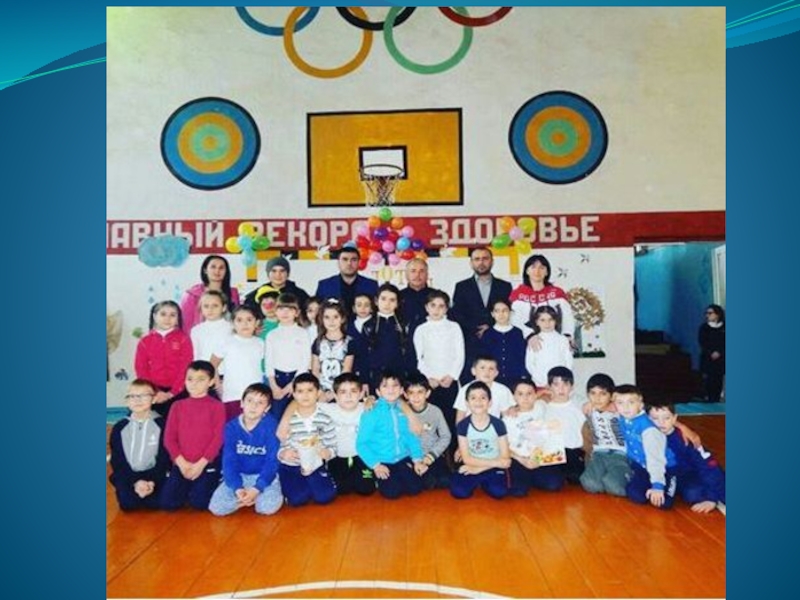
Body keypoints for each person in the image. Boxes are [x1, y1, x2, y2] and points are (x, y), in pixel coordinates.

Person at [208, 383, 283, 516]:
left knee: (266, 508)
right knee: (216, 508)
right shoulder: (231, 427)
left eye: (260, 403)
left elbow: (272, 461)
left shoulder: (272, 426)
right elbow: (229, 461)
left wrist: (257, 488)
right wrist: (237, 488)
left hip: (263, 475)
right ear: (242, 403)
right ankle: (247, 499)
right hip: (240, 475)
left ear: (267, 408)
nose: (254, 406)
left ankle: (251, 497)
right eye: (250, 401)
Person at [159, 361, 226, 511]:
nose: (194, 384)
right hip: (182, 464)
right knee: (168, 503)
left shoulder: (217, 406)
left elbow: (218, 439)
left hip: (205, 464)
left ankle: (214, 482)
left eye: (200, 379)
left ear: (211, 382)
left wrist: (200, 464)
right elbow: (169, 439)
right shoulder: (177, 406)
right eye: (190, 379)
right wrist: (182, 464)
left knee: (200, 503)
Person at [356, 370, 425, 499]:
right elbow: (361, 444)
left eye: (395, 385)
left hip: (402, 458)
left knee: (415, 488)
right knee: (392, 492)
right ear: (378, 392)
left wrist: (417, 459)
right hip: (382, 461)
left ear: (401, 390)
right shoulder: (371, 412)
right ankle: (375, 478)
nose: (391, 389)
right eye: (385, 386)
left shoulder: (404, 410)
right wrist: (376, 465)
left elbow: (412, 436)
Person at [648, 402, 725, 514]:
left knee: (693, 494)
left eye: (667, 418)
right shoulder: (647, 435)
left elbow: (707, 466)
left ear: (674, 418)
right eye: (655, 418)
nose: (661, 423)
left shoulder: (685, 439)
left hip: (690, 475)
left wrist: (711, 498)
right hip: (668, 475)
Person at [450, 247, 512, 383]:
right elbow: (457, 314)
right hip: (470, 342)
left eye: (485, 258)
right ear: (471, 263)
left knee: (498, 384)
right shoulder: (462, 286)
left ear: (492, 261)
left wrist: (490, 327)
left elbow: (507, 311)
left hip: (497, 341)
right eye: (477, 259)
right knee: (470, 385)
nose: (481, 262)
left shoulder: (504, 286)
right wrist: (476, 328)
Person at [109, 379, 170, 510]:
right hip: (129, 476)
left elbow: (164, 458)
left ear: (154, 399)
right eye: (132, 396)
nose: (137, 400)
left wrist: (151, 481)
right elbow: (117, 460)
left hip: (155, 475)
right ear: (127, 401)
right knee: (128, 505)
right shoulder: (119, 427)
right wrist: (135, 482)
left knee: (160, 503)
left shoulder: (162, 425)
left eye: (143, 395)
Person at [277, 373, 338, 507]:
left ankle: (313, 483)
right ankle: (295, 486)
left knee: (325, 496)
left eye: (310, 390)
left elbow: (332, 445)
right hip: (291, 465)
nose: (305, 395)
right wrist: (283, 453)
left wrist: (328, 453)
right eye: (300, 391)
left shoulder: (325, 418)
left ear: (318, 393)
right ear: (294, 394)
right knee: (297, 499)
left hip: (315, 465)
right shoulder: (288, 420)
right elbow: (280, 445)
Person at [614, 384, 677, 509]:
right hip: (641, 466)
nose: (625, 407)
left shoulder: (649, 430)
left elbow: (655, 459)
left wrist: (657, 486)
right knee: (636, 495)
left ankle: (669, 483)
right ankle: (647, 483)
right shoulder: (622, 417)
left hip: (664, 467)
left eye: (631, 402)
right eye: (620, 403)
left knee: (664, 503)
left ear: (640, 404)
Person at [413, 289, 464, 437]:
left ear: (447, 309)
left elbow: (460, 354)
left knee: (450, 419)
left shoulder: (454, 327)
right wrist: (429, 378)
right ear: (426, 307)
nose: (436, 310)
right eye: (433, 305)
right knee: (429, 423)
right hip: (430, 383)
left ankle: (453, 450)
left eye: (441, 306)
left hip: (449, 381)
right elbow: (418, 358)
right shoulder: (421, 329)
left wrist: (452, 376)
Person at [530, 367, 590, 491]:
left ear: (572, 386)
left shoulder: (579, 404)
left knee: (578, 479)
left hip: (573, 451)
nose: (561, 389)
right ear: (549, 387)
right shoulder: (542, 406)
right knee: (552, 484)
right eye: (556, 384)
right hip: (551, 452)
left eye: (565, 384)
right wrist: (538, 395)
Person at [450, 381, 511, 500]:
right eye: (473, 398)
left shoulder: (498, 424)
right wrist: (497, 463)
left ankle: (482, 482)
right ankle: (480, 481)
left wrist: (477, 470)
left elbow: (505, 458)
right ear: (467, 403)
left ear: (490, 402)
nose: (478, 402)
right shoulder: (463, 425)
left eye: (483, 398)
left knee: (500, 492)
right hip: (473, 464)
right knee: (459, 492)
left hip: (490, 468)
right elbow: (466, 459)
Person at [318, 373, 375, 496]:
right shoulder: (328, 409)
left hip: (361, 456)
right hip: (337, 456)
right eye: (343, 392)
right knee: (342, 490)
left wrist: (371, 398)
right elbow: (303, 404)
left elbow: (388, 402)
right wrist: (323, 397)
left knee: (366, 489)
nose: (348, 396)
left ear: (361, 394)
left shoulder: (366, 408)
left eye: (353, 391)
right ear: (335, 396)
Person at [134, 300, 194, 418]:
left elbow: (186, 367)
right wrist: (154, 391)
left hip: (179, 390)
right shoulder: (145, 341)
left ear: (178, 318)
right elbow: (141, 369)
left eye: (172, 315)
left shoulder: (184, 339)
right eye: (163, 314)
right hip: (153, 392)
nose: (167, 318)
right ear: (154, 316)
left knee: (177, 422)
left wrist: (173, 392)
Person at [578, 373, 630, 497]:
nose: (597, 398)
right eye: (593, 393)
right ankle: (607, 479)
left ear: (611, 396)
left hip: (620, 455)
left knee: (613, 486)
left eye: (603, 393)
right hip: (599, 454)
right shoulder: (588, 409)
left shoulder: (621, 409)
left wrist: (680, 425)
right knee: (589, 483)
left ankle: (624, 477)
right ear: (587, 395)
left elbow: (641, 412)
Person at [210, 305, 264, 422]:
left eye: (249, 320)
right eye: (239, 320)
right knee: (233, 426)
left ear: (256, 322)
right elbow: (213, 364)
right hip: (232, 394)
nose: (245, 324)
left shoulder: (260, 343)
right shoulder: (227, 342)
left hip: (255, 396)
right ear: (233, 323)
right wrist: (217, 384)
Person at [264, 293, 312, 420]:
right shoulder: (272, 335)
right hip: (277, 380)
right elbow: (268, 361)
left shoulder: (302, 333)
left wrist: (292, 384)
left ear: (297, 313)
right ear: (275, 311)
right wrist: (273, 385)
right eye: (281, 308)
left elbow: (305, 361)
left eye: (290, 309)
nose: (285, 312)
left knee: (297, 415)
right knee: (276, 416)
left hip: (297, 379)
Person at [509, 254, 575, 342]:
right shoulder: (517, 294)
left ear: (547, 272)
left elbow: (567, 317)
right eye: (533, 267)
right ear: (527, 271)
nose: (537, 271)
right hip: (525, 341)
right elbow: (514, 319)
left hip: (555, 341)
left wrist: (567, 335)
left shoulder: (557, 293)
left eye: (542, 268)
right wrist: (529, 335)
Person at [405, 373, 452, 489]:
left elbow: (446, 436)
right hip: (410, 457)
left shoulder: (435, 411)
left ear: (428, 393)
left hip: (432, 455)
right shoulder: (402, 412)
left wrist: (430, 457)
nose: (416, 397)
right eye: (411, 393)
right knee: (418, 483)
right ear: (405, 395)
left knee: (446, 481)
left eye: (420, 392)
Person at [361, 283, 409, 392]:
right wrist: (364, 380)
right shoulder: (368, 326)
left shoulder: (404, 324)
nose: (387, 303)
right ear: (376, 301)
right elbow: (363, 355)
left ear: (397, 303)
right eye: (383, 299)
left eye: (392, 300)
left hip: (400, 375)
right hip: (376, 376)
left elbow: (409, 352)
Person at [503, 378, 548, 497]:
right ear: (514, 397)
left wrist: (537, 459)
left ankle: (532, 477)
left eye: (529, 393)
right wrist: (522, 460)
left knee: (554, 484)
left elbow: (551, 395)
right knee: (518, 492)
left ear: (535, 395)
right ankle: (526, 477)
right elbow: (503, 445)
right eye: (520, 394)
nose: (525, 398)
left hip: (538, 456)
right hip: (518, 458)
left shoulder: (540, 407)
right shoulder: (508, 418)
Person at [180, 255, 240, 334]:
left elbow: (238, 319)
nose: (217, 271)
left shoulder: (233, 294)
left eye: (221, 268)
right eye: (213, 267)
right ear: (205, 270)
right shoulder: (191, 295)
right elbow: (185, 325)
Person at [453, 355, 516, 425]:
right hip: (470, 429)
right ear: (473, 371)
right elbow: (460, 419)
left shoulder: (502, 390)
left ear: (496, 373)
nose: (487, 372)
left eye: (491, 369)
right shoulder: (465, 390)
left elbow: (507, 417)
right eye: (482, 368)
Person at [479, 298, 527, 388]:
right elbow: (484, 357)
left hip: (515, 378)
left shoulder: (518, 333)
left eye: (504, 310)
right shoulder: (487, 334)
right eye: (497, 311)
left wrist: (523, 375)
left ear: (510, 313)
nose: (501, 314)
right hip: (493, 379)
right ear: (492, 314)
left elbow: (522, 356)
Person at [312, 299, 354, 401]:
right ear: (322, 319)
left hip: (341, 391)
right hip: (320, 393)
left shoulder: (349, 342)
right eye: (327, 317)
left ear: (342, 319)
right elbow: (315, 369)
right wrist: (319, 391)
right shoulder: (318, 342)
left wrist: (334, 392)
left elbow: (346, 370)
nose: (331, 321)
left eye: (335, 317)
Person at [315, 246, 378, 314]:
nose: (349, 263)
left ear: (359, 262)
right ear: (338, 263)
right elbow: (318, 313)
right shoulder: (324, 286)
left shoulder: (371, 285)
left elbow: (376, 312)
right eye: (345, 259)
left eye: (354, 260)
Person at [243, 256, 310, 319]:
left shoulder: (300, 294)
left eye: (282, 271)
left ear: (288, 274)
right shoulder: (258, 294)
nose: (278, 275)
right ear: (268, 274)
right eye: (274, 271)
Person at [524, 305, 574, 390]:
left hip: (560, 385)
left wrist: (559, 381)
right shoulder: (534, 341)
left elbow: (569, 363)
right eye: (542, 320)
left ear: (556, 321)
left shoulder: (563, 340)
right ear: (537, 322)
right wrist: (544, 382)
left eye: (550, 319)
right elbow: (530, 364)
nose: (547, 323)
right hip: (540, 384)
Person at [190, 290, 233, 362]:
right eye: (206, 306)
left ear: (224, 308)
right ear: (201, 308)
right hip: (203, 367)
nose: (210, 309)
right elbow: (195, 355)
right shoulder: (196, 330)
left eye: (215, 306)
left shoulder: (231, 328)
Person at [347, 292, 374, 390]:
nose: (363, 308)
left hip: (372, 368)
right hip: (353, 367)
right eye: (359, 305)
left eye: (366, 305)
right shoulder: (348, 326)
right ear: (354, 308)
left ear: (372, 308)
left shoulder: (377, 324)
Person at [399, 258, 433, 337]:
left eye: (422, 271)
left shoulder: (436, 296)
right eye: (413, 271)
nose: (417, 275)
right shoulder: (398, 296)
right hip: (404, 340)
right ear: (406, 275)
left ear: (427, 275)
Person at [698, 304, 725, 402]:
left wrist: (720, 352)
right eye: (706, 313)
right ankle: (709, 398)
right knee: (708, 380)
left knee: (718, 379)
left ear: (717, 314)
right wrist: (711, 352)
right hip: (708, 358)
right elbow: (702, 342)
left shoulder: (725, 327)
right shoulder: (704, 327)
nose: (707, 315)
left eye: (710, 313)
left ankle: (717, 398)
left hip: (721, 358)